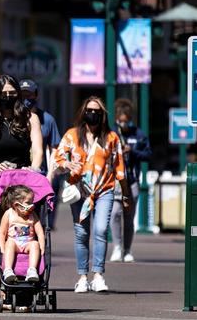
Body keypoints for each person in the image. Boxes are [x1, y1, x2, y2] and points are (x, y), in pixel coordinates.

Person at [54, 96, 131, 293]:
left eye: (97, 111)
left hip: (104, 189)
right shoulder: (72, 135)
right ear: (83, 112)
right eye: (89, 110)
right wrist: (67, 164)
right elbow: (59, 157)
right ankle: (82, 276)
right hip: (79, 190)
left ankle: (98, 275)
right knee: (81, 234)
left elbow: (119, 166)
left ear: (103, 115)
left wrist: (125, 193)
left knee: (99, 230)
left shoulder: (111, 138)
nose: (93, 114)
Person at [0, 74, 44, 231]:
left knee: (24, 218)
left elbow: (38, 150)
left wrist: (33, 168)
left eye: (12, 93)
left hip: (22, 175)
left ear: (18, 94)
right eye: (4, 93)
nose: (8, 97)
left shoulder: (30, 118)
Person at [109, 98, 151, 263]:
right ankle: (117, 247)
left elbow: (148, 154)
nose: (123, 124)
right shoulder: (111, 133)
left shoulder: (138, 134)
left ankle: (127, 249)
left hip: (132, 180)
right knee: (114, 214)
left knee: (129, 216)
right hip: (115, 181)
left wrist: (132, 151)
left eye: (126, 121)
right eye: (120, 120)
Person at [19, 79, 61, 228]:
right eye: (22, 95)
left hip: (40, 174)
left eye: (29, 95)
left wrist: (51, 174)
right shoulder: (13, 119)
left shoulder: (47, 120)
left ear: (36, 96)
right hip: (18, 172)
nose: (26, 99)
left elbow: (55, 148)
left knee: (38, 217)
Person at [0, 185, 45, 283]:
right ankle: (8, 270)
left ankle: (32, 271)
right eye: (28, 203)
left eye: (32, 202)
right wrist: (2, 249)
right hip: (14, 243)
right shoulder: (9, 214)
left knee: (35, 244)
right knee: (10, 243)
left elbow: (40, 233)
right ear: (16, 205)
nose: (31, 205)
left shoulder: (32, 215)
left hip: (28, 243)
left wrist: (42, 248)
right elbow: (2, 233)